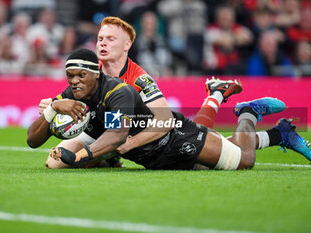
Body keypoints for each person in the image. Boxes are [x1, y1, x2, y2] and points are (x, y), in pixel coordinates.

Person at [26, 48, 311, 171]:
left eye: (80, 76)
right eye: (70, 77)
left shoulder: (118, 91)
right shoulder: (71, 94)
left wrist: (81, 157)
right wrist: (52, 108)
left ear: (96, 75)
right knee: (222, 147)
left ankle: (250, 113)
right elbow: (32, 140)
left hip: (174, 138)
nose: (74, 82)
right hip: (153, 158)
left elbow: (117, 136)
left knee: (244, 160)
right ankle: (275, 132)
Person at [38, 17, 243, 168]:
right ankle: (107, 157)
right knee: (54, 163)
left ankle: (218, 99)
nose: (102, 43)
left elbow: (165, 120)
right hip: (102, 131)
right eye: (100, 38)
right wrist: (52, 106)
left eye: (110, 39)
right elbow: (69, 96)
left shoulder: (139, 79)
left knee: (215, 151)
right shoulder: (91, 72)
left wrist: (129, 144)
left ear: (127, 45)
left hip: (138, 137)